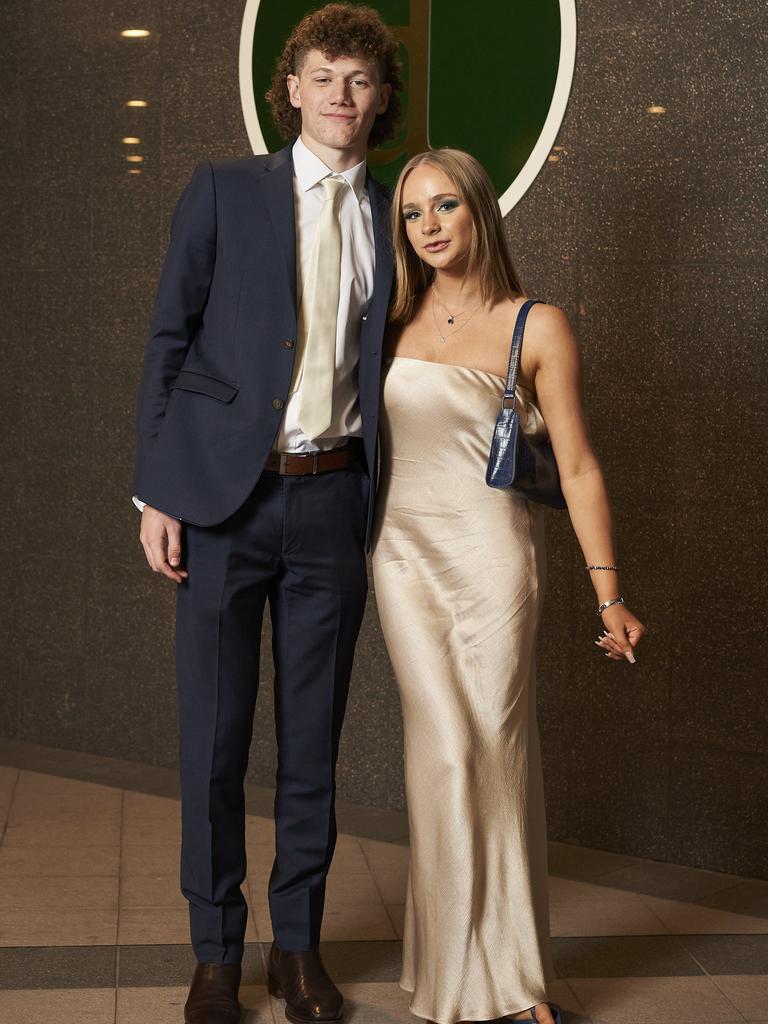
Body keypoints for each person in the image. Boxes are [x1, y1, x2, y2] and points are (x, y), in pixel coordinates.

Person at [132, 6, 401, 1022]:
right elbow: (168, 339)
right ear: (288, 88)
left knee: (311, 742)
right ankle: (214, 951)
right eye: (323, 74)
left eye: (360, 78)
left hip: (333, 501)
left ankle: (296, 949)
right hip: (217, 503)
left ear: (381, 99)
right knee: (213, 737)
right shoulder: (221, 191)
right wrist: (154, 486)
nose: (341, 92)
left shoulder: (397, 212)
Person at [371, 148, 647, 1024]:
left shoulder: (540, 325)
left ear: (480, 210)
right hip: (400, 557)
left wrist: (609, 594)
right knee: (443, 755)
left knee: (496, 756)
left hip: (494, 558)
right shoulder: (387, 320)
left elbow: (576, 465)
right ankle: (455, 977)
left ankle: (515, 979)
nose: (429, 226)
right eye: (413, 214)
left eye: (445, 206)